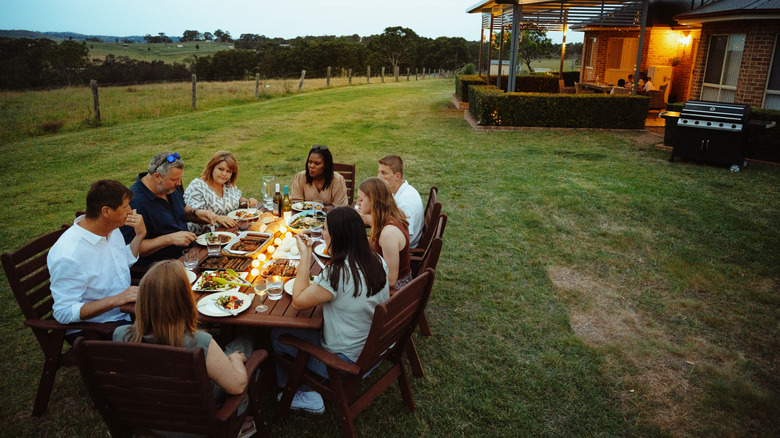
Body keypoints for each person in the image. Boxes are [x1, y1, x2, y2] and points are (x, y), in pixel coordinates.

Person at [114, 260, 257, 437]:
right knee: (245, 341)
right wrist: (234, 359)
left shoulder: (121, 335)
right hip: (200, 425)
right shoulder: (199, 341)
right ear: (184, 300)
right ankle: (237, 426)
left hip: (151, 421)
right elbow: (237, 386)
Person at [271, 207, 389, 414]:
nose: (322, 233)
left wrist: (305, 256)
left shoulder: (337, 273)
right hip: (374, 351)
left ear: (336, 237)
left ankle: (299, 392)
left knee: (278, 335)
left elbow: (298, 301)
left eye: (324, 229)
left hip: (344, 363)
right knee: (311, 325)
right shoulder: (377, 260)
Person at [48, 180, 146, 344]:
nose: (130, 211)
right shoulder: (69, 255)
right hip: (98, 328)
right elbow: (64, 312)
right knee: (169, 340)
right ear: (106, 211)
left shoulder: (110, 229)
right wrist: (117, 299)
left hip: (126, 311)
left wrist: (140, 235)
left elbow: (121, 263)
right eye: (125, 207)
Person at [121, 151, 217, 266]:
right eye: (175, 179)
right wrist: (169, 239)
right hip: (160, 267)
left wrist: (196, 213)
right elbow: (131, 249)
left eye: (180, 178)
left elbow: (180, 210)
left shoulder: (168, 187)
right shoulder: (134, 202)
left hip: (188, 256)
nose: (179, 183)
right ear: (157, 176)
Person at [184, 150, 259, 234]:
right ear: (212, 167)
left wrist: (247, 202)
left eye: (229, 171)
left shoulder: (228, 184)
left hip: (228, 232)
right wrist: (217, 218)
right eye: (220, 169)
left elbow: (237, 199)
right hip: (203, 236)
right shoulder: (197, 186)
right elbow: (192, 215)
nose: (224, 174)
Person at [356, 177, 412, 289]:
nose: (357, 203)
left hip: (395, 292)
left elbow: (390, 281)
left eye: (361, 200)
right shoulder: (388, 218)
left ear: (374, 202)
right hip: (380, 274)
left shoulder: (389, 233)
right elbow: (375, 246)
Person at [373, 155, 424, 248]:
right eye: (379, 172)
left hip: (402, 248)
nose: (378, 177)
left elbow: (404, 235)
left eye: (384, 173)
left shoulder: (406, 203)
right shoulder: (400, 190)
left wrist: (372, 221)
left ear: (397, 176)